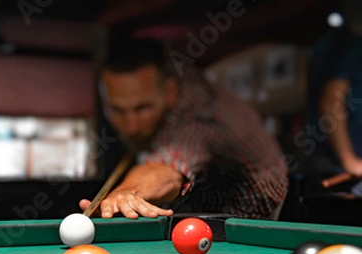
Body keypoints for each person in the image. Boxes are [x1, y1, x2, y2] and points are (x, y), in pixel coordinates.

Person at [79, 39, 288, 219]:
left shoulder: (194, 116)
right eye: (117, 110)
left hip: (255, 193)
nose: (131, 127)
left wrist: (127, 193)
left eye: (142, 108)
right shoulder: (165, 77)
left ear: (170, 91)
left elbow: (167, 168)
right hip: (208, 184)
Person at [307, 0, 362, 192]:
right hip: (344, 173)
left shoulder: (332, 41)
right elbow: (330, 100)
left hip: (331, 166)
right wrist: (350, 161)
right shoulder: (352, 43)